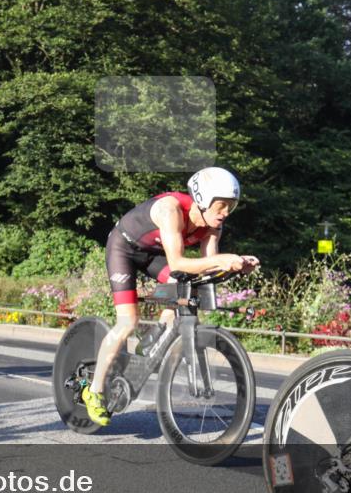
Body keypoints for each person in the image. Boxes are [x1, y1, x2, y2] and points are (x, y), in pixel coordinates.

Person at [82, 167, 260, 425]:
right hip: (123, 248)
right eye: (221, 205)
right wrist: (224, 260)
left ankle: (157, 334)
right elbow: (177, 262)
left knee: (189, 285)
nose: (225, 213)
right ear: (201, 200)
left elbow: (206, 267)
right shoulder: (170, 210)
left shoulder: (213, 225)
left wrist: (237, 264)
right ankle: (94, 390)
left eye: (231, 207)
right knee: (127, 322)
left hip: (152, 254)